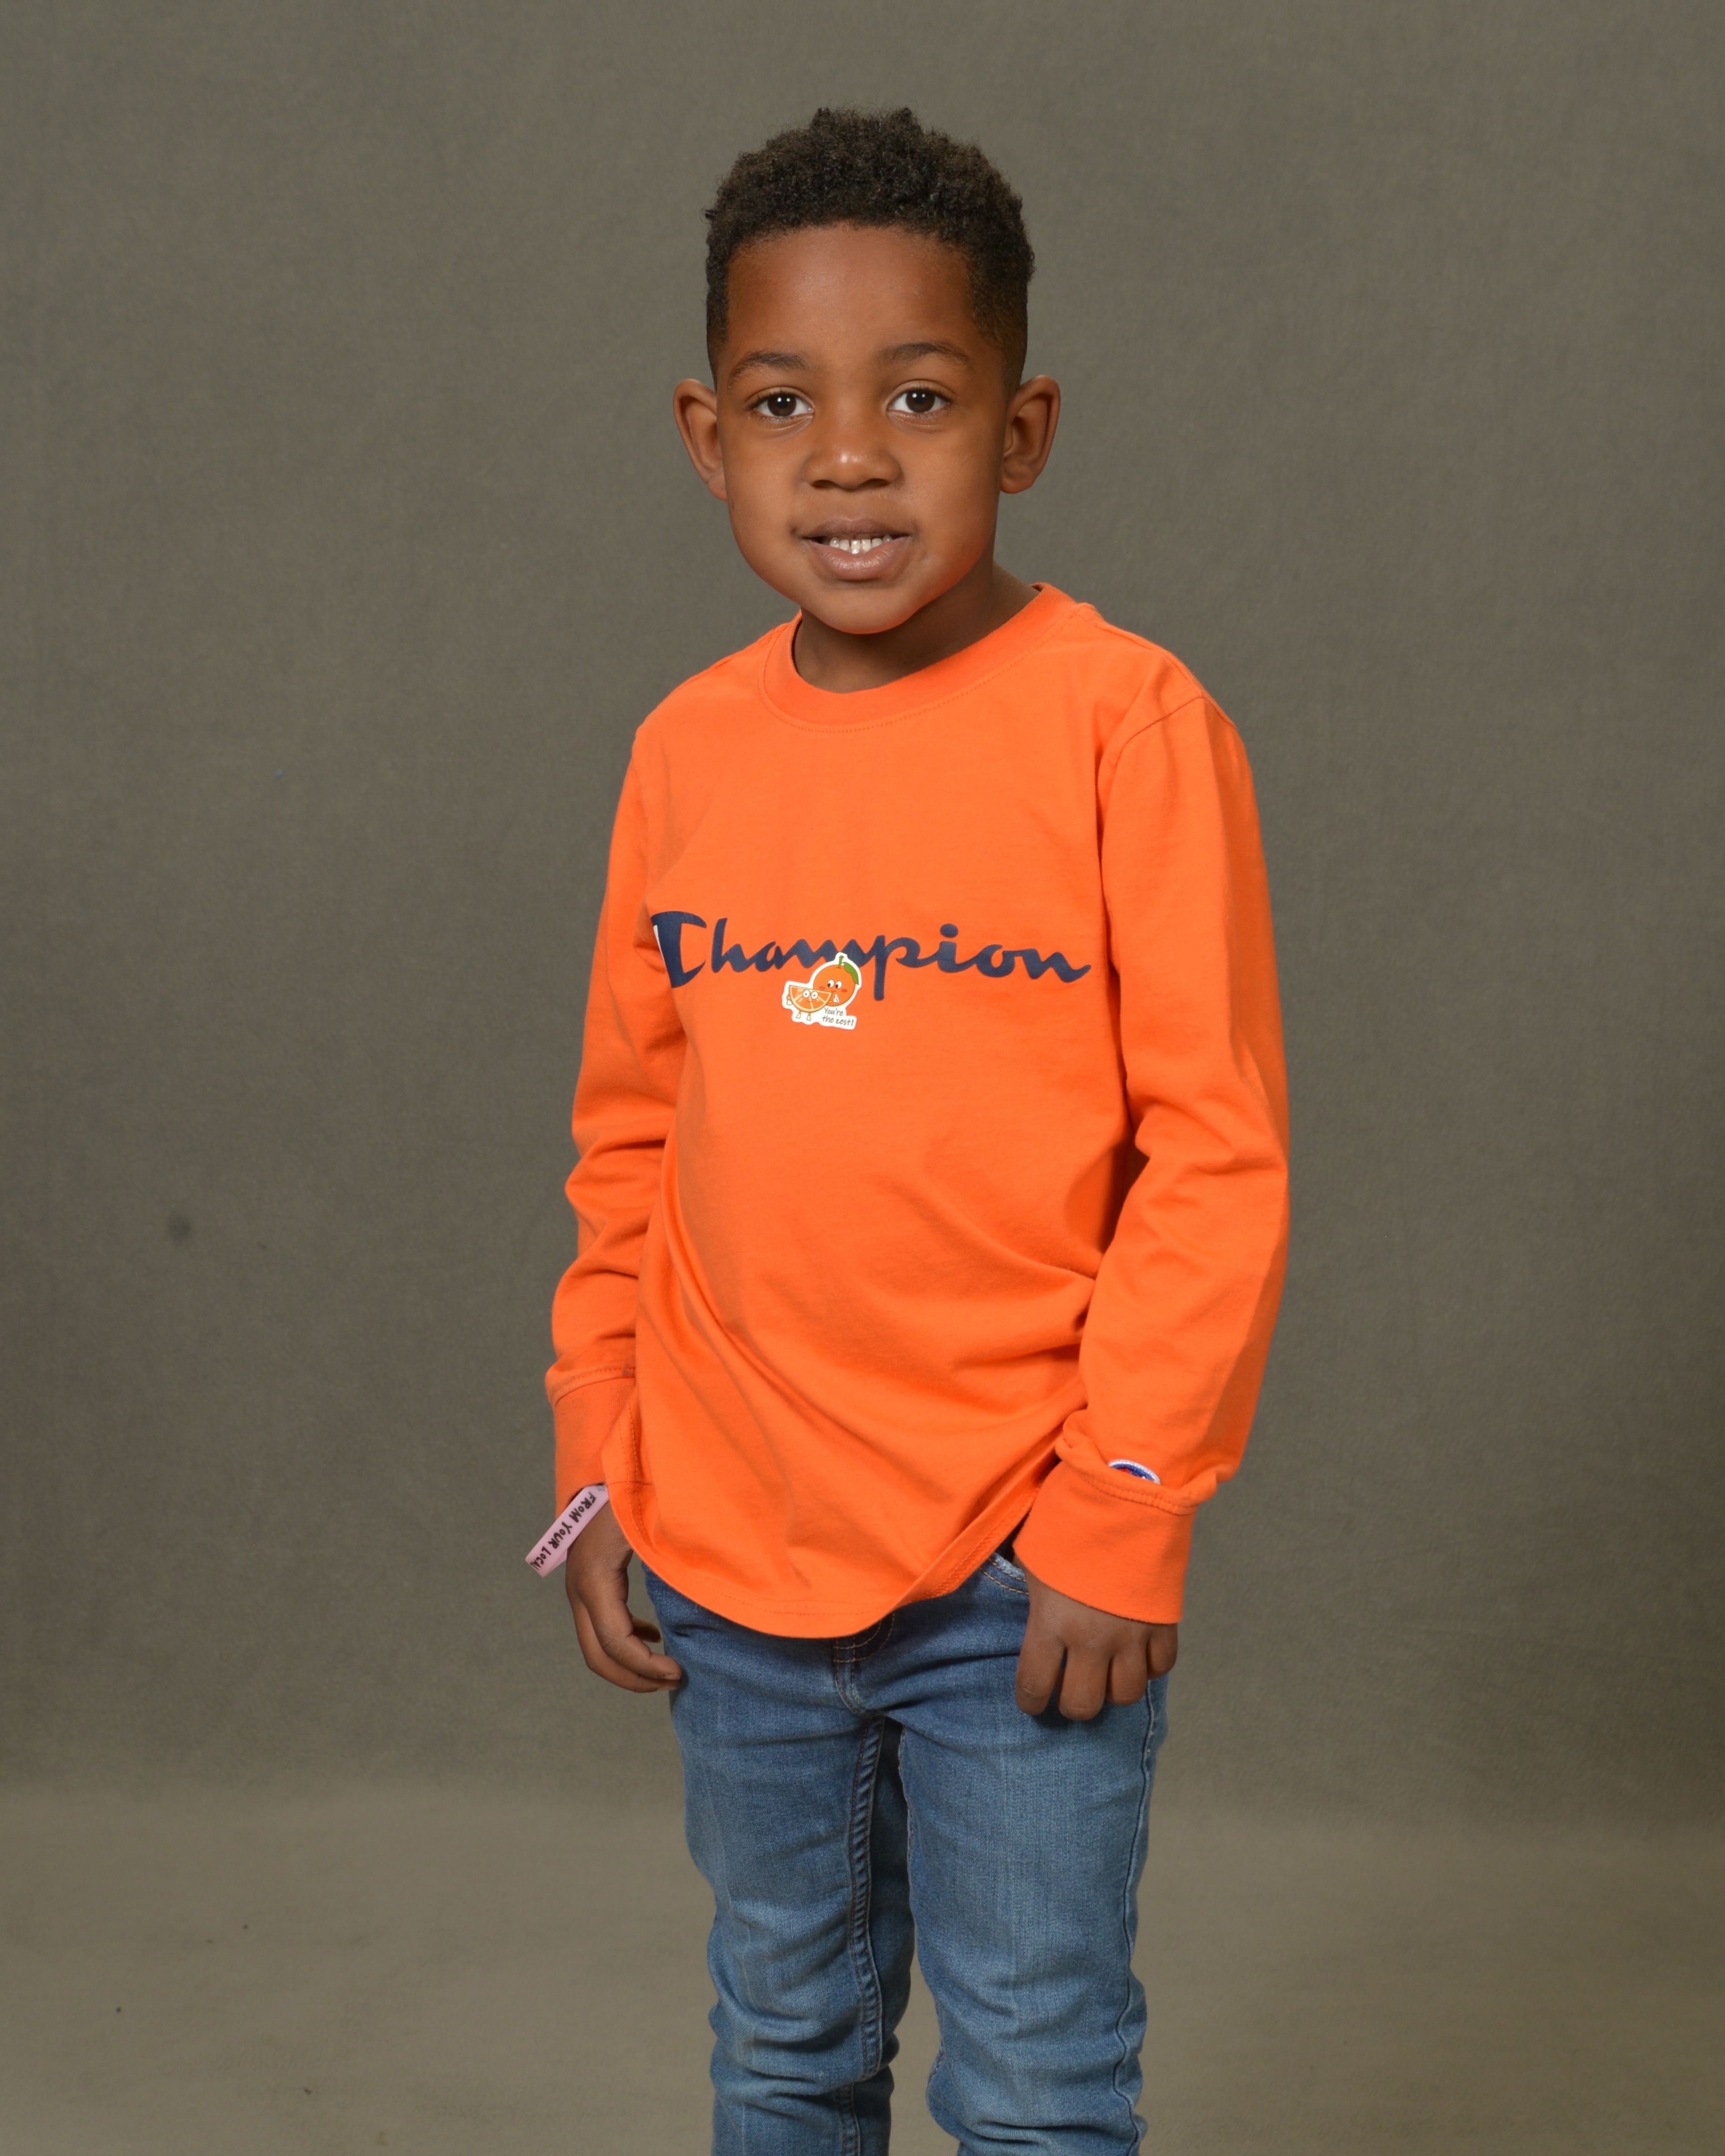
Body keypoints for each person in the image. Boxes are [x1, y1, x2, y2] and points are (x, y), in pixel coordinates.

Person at [545, 106, 1289, 2155]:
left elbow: (1212, 1153)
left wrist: (1121, 1506)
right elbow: (630, 1140)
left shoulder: (1127, 725)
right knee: (784, 2040)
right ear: (707, 435)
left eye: (921, 398)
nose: (849, 457)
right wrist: (601, 1450)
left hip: (1019, 1562)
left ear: (1020, 430)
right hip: (730, 1549)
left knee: (1035, 2072)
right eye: (785, 402)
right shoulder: (687, 751)